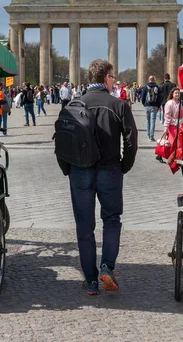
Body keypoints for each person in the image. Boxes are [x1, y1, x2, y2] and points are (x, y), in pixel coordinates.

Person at [59, 59, 138, 295]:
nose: (114, 81)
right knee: (112, 220)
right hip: (110, 170)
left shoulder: (73, 104)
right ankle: (107, 266)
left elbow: (62, 141)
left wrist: (67, 169)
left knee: (85, 227)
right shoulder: (119, 105)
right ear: (106, 78)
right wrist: (124, 166)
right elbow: (132, 141)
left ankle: (91, 281)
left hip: (79, 173)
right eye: (113, 77)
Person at [157, 87, 183, 163]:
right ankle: (172, 159)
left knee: (172, 142)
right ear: (172, 94)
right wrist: (166, 127)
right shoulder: (169, 103)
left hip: (178, 125)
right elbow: (167, 116)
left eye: (178, 93)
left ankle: (161, 155)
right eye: (176, 93)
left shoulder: (179, 103)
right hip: (172, 126)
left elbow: (182, 114)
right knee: (173, 143)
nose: (177, 94)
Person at [141, 75, 162, 142]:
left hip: (147, 106)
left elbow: (142, 97)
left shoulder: (145, 87)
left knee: (148, 121)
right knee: (153, 121)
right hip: (154, 106)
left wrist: (144, 104)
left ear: (148, 79)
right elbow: (159, 98)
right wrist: (158, 106)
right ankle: (151, 136)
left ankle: (148, 135)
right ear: (154, 80)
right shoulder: (157, 87)